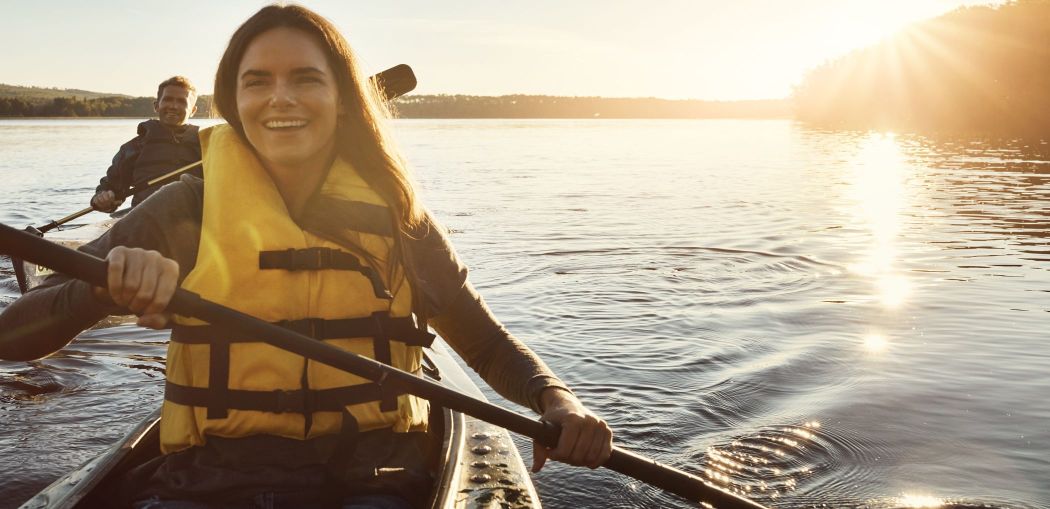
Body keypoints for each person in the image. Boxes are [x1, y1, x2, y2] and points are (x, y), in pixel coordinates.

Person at [0, 5, 612, 508]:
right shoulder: (184, 208)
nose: (280, 98)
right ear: (234, 102)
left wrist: (557, 399)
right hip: (209, 485)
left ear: (343, 98)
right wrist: (99, 291)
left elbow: (485, 344)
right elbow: (12, 336)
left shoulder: (399, 215)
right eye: (257, 82)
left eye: (306, 79)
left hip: (376, 483)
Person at [90, 76, 202, 213]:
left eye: (182, 101)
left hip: (193, 219)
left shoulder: (207, 145)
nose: (173, 106)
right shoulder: (133, 148)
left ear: (193, 110)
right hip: (145, 219)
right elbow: (110, 188)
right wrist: (103, 198)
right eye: (168, 99)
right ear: (156, 106)